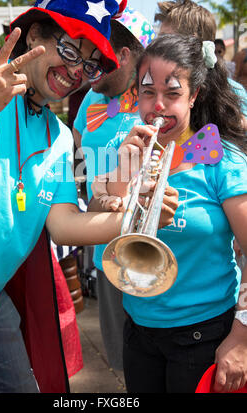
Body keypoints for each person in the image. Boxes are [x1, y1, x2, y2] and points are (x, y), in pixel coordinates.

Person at [0, 0, 135, 393]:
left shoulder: (59, 136)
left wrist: (135, 219)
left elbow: (65, 225)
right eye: (70, 49)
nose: (76, 72)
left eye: (90, 64)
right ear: (33, 37)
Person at [95, 33, 247, 393]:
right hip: (139, 330)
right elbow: (103, 224)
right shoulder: (128, 149)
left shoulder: (222, 160)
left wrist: (241, 337)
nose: (158, 105)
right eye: (148, 92)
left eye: (173, 93)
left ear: (194, 95)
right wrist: (120, 175)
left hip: (203, 336)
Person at [73, 7, 158, 371]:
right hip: (103, 236)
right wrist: (82, 196)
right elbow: (76, 153)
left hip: (156, 236)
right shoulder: (89, 100)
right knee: (118, 347)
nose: (86, 65)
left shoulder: (157, 100)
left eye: (97, 54)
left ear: (123, 56)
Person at [154, 0, 247, 123]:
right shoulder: (154, 89)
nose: (157, 47)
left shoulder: (233, 94)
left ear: (194, 44)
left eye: (165, 39)